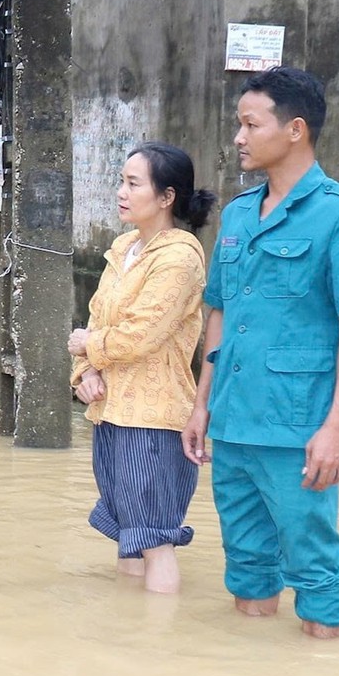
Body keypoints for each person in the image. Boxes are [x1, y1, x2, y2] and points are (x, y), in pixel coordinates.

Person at [182, 67, 339, 639]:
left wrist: (336, 429)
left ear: (295, 129)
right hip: (234, 422)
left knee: (315, 569)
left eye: (251, 124)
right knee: (247, 569)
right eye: (238, 125)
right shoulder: (240, 214)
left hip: (297, 427)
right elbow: (219, 312)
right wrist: (202, 406)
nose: (239, 137)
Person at [68, 143, 213, 595]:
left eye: (133, 184)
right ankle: (127, 641)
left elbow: (141, 334)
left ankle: (159, 645)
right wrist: (85, 373)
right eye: (121, 181)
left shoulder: (180, 258)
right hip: (111, 410)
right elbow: (98, 318)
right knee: (128, 535)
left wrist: (90, 345)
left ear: (167, 197)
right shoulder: (124, 247)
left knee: (153, 537)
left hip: (154, 420)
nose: (121, 192)